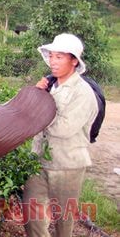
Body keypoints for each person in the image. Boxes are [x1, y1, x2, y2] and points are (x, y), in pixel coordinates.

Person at [23, 33, 98, 237]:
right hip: (39, 161)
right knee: (31, 214)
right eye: (52, 56)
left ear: (74, 61)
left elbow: (62, 128)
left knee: (63, 223)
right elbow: (27, 116)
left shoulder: (83, 93)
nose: (53, 62)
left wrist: (42, 104)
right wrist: (38, 96)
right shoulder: (50, 86)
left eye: (59, 57)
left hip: (67, 166)